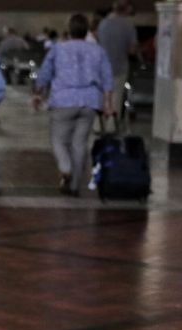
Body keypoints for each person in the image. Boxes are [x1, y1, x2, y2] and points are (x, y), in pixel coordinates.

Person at [33, 14, 114, 196]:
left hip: (63, 100)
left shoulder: (58, 49)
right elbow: (107, 78)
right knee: (80, 143)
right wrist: (107, 103)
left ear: (69, 30)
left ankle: (66, 168)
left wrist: (38, 93)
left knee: (59, 140)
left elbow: (45, 73)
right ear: (86, 30)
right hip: (89, 102)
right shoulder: (98, 50)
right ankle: (75, 185)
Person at [96, 0, 137, 132]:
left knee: (102, 96)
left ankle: (98, 124)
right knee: (116, 96)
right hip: (120, 67)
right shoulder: (128, 25)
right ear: (125, 10)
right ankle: (111, 126)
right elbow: (132, 50)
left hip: (102, 67)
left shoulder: (102, 24)